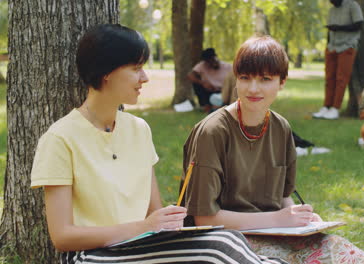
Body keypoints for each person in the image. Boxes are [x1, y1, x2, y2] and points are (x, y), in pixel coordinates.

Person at [30, 24, 287, 264]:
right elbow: (62, 237)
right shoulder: (60, 139)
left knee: (227, 238)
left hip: (142, 246)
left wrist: (169, 221)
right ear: (106, 72)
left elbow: (154, 212)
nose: (145, 77)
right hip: (95, 256)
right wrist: (145, 226)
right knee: (215, 250)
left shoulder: (138, 129)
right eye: (135, 68)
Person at [181, 36, 364, 264]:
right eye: (245, 77)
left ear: (282, 82)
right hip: (222, 241)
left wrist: (302, 219)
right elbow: (204, 218)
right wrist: (278, 219)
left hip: (274, 232)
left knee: (340, 248)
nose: (253, 88)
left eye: (265, 79)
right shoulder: (212, 132)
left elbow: (282, 197)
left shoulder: (281, 128)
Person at [313, 0, 363, 120]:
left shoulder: (352, 6)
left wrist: (338, 28)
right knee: (329, 78)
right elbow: (330, 30)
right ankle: (326, 107)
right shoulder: (332, 10)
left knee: (341, 78)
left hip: (347, 46)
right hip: (332, 47)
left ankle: (335, 109)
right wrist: (328, 44)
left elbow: (359, 25)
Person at [188, 48, 232, 113]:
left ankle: (219, 107)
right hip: (209, 90)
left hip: (224, 91)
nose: (212, 62)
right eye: (209, 61)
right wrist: (203, 83)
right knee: (196, 85)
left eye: (213, 60)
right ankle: (207, 107)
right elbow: (190, 75)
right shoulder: (202, 65)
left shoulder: (227, 66)